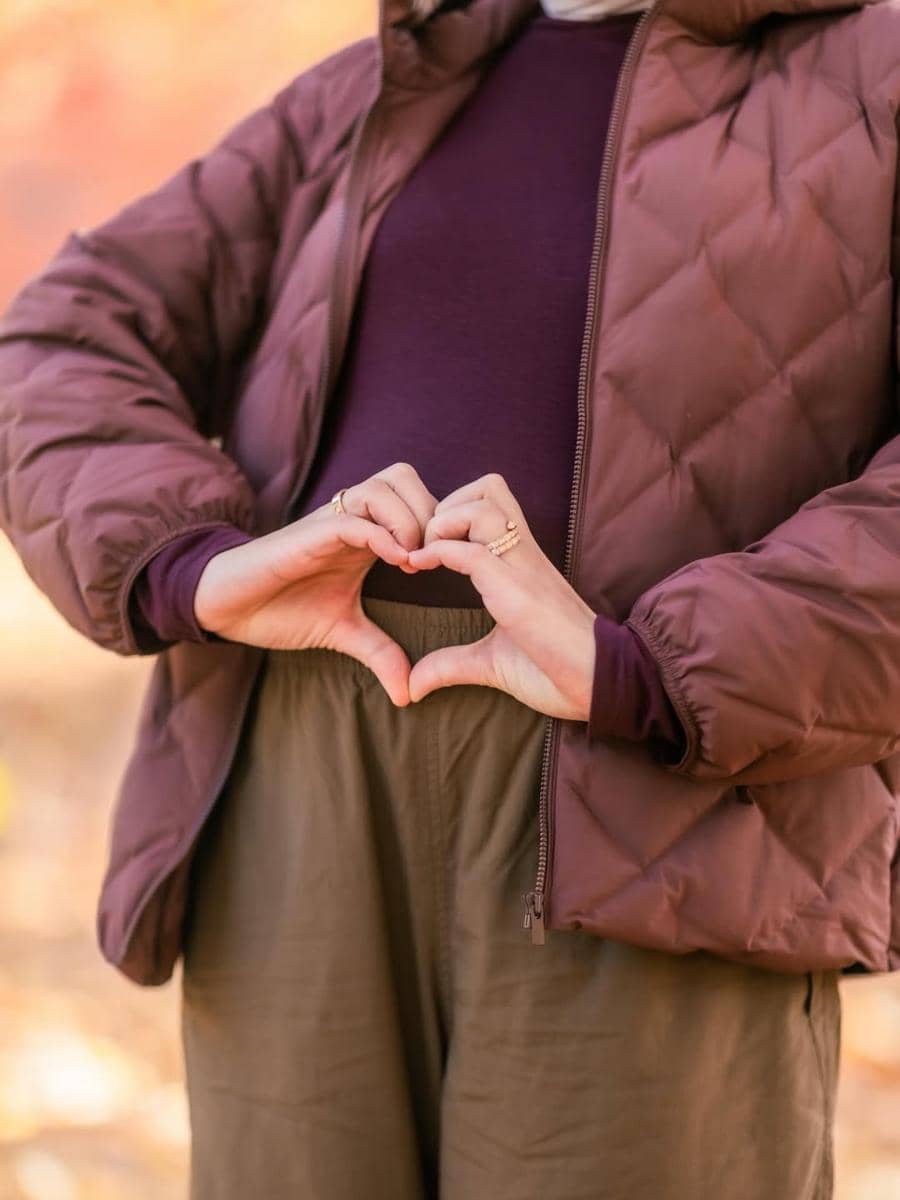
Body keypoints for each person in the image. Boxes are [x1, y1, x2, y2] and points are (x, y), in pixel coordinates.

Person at [1, 0, 899, 1194]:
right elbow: (59, 338)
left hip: (667, 813)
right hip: (294, 781)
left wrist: (650, 670)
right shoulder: (386, 78)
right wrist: (189, 566)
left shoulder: (875, 75)